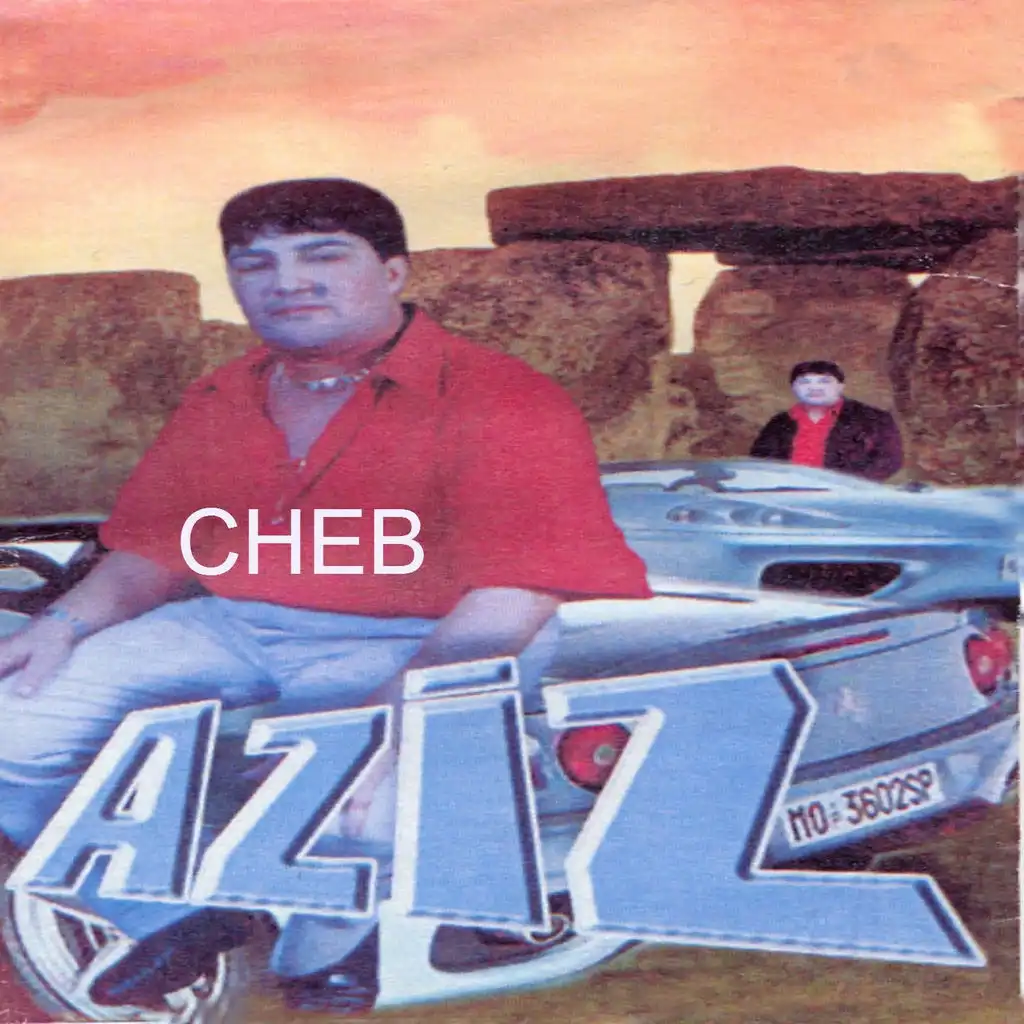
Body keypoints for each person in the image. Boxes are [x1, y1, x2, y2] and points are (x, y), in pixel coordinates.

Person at [0, 178, 651, 1011]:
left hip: (434, 637)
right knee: (10, 721)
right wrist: (61, 624)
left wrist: (391, 722)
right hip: (240, 622)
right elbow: (156, 552)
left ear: (394, 272)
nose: (288, 282)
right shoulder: (222, 395)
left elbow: (514, 598)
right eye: (256, 264)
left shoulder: (503, 396)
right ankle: (170, 919)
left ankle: (326, 953)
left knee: (358, 801)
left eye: (322, 256)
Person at [750, 360, 903, 481]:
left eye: (824, 381)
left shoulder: (873, 419)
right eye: (805, 382)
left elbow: (889, 460)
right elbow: (760, 460)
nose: (814, 388)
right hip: (787, 494)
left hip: (846, 496)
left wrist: (847, 485)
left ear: (841, 386)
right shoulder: (779, 423)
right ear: (793, 388)